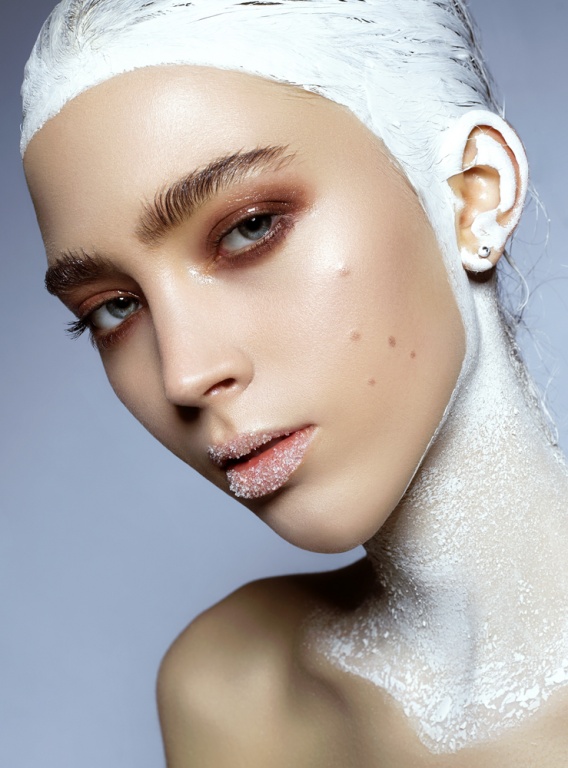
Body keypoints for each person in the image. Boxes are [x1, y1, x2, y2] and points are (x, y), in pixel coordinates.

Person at [21, 0, 568, 764]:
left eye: (249, 228)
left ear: (475, 192)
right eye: (114, 308)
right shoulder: (232, 692)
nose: (185, 374)